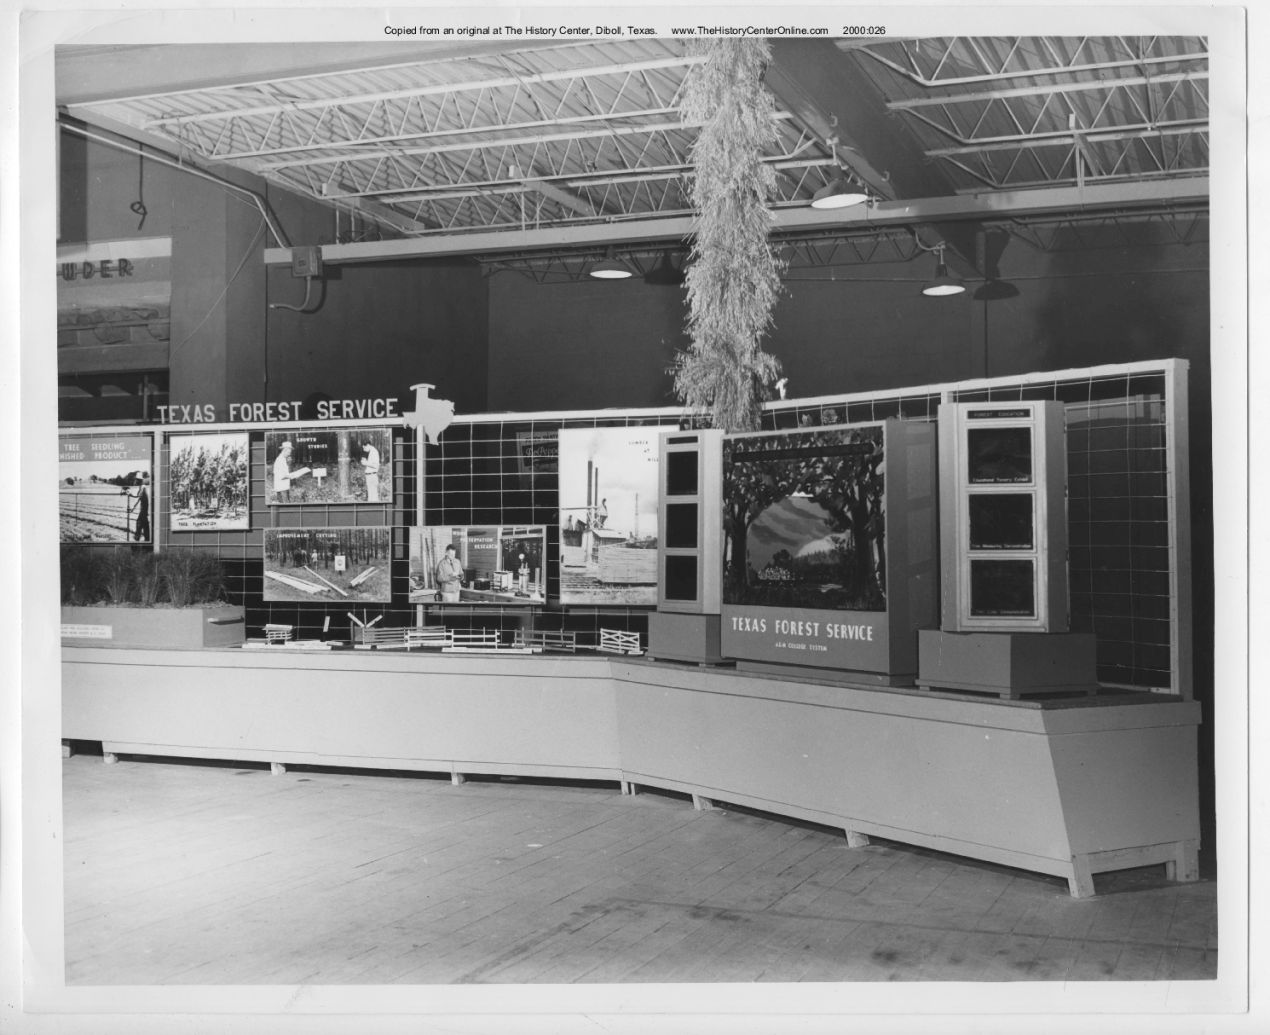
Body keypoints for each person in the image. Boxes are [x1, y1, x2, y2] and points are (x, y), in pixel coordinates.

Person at [126, 473, 151, 541]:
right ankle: (147, 539)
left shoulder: (143, 487)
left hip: (144, 510)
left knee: (139, 523)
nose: (135, 481)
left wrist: (130, 494)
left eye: (136, 480)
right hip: (144, 510)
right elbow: (138, 500)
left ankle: (137, 538)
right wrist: (132, 509)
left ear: (139, 480)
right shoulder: (141, 487)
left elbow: (138, 496)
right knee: (145, 525)